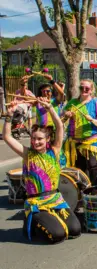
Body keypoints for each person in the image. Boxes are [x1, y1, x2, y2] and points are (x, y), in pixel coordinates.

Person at [3, 97, 81, 244]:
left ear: (47, 140)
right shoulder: (28, 154)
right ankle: (31, 220)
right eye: (33, 139)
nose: (35, 142)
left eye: (39, 139)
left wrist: (50, 108)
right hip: (36, 202)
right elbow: (7, 137)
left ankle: (50, 221)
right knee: (58, 235)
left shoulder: (54, 151)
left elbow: (59, 126)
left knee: (75, 230)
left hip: (56, 199)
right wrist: (9, 115)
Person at [62, 79, 97, 184]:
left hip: (91, 142)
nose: (84, 90)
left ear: (91, 90)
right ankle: (81, 194)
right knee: (78, 171)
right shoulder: (72, 103)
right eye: (81, 88)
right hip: (75, 142)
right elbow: (63, 118)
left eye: (87, 88)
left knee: (93, 167)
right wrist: (66, 115)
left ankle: (95, 192)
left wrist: (92, 120)